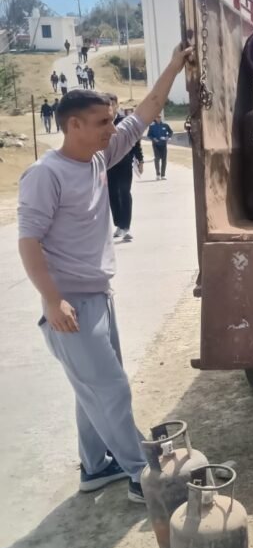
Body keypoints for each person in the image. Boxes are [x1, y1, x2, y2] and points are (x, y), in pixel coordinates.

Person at [17, 45, 192, 504]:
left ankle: (96, 467)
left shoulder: (97, 157)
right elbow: (28, 241)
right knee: (110, 388)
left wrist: (173, 66)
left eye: (111, 121)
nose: (112, 128)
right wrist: (52, 299)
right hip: (69, 304)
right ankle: (142, 477)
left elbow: (146, 112)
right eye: (102, 122)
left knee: (90, 389)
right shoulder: (46, 174)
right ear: (73, 125)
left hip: (98, 296)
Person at [108, 100, 143, 242]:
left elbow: (136, 141)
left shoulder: (124, 121)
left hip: (124, 163)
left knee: (124, 192)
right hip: (109, 164)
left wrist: (140, 159)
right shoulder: (102, 122)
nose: (110, 107)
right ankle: (119, 224)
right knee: (112, 194)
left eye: (112, 104)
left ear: (116, 105)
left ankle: (126, 226)